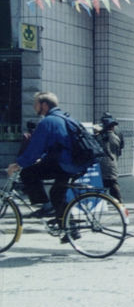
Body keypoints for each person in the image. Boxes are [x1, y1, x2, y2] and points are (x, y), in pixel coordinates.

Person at [6, 92, 89, 236]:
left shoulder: (47, 122)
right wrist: (43, 159)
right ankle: (70, 229)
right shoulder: (67, 118)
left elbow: (34, 150)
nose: (34, 107)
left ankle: (46, 206)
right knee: (57, 194)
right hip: (77, 164)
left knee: (27, 172)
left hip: (64, 164)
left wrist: (17, 164)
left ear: (44, 105)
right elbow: (58, 145)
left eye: (35, 104)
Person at [95, 116, 123, 203]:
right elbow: (117, 151)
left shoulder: (99, 137)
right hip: (112, 163)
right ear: (112, 127)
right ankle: (119, 202)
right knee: (113, 183)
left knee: (103, 184)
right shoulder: (115, 137)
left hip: (101, 164)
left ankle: (100, 202)